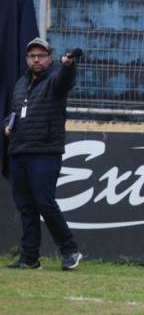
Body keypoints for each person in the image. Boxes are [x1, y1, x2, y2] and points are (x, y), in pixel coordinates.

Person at [2, 37, 83, 270]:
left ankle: (70, 250)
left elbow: (65, 81)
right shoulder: (21, 83)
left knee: (44, 203)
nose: (36, 59)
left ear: (49, 58)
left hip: (45, 151)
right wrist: (6, 125)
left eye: (41, 55)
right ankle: (29, 258)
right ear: (27, 59)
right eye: (31, 56)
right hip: (18, 152)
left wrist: (68, 65)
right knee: (26, 207)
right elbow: (14, 113)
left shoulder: (56, 78)